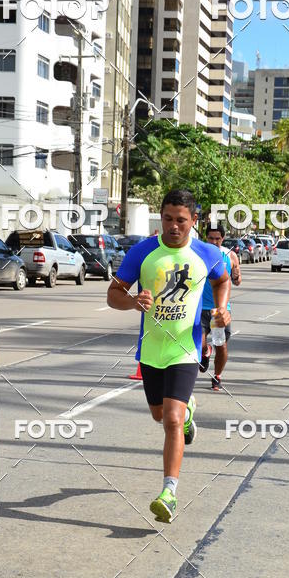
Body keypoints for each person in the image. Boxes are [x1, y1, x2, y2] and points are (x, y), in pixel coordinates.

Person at [107, 189, 230, 523]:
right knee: (160, 415)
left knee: (171, 421)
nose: (174, 226)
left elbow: (222, 280)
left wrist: (222, 308)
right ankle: (187, 413)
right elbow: (113, 294)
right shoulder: (142, 252)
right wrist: (132, 302)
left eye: (181, 220)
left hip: (185, 348)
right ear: (160, 217)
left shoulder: (207, 253)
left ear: (194, 221)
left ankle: (169, 493)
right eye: (168, 219)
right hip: (151, 349)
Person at [200, 224, 241, 391]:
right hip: (200, 307)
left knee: (221, 345)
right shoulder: (199, 253)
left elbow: (237, 281)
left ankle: (217, 376)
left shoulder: (230, 255)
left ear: (223, 239)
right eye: (211, 238)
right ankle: (205, 351)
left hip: (220, 310)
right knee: (199, 342)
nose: (214, 242)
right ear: (206, 238)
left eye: (217, 238)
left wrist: (236, 276)